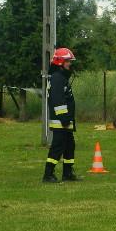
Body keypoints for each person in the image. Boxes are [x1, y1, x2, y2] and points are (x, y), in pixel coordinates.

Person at [43, 47, 79, 183]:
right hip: (61, 121)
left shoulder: (60, 77)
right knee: (58, 147)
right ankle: (48, 174)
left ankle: (67, 173)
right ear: (60, 62)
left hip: (65, 120)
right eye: (68, 61)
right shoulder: (57, 78)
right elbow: (58, 100)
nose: (70, 64)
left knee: (69, 146)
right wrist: (64, 118)